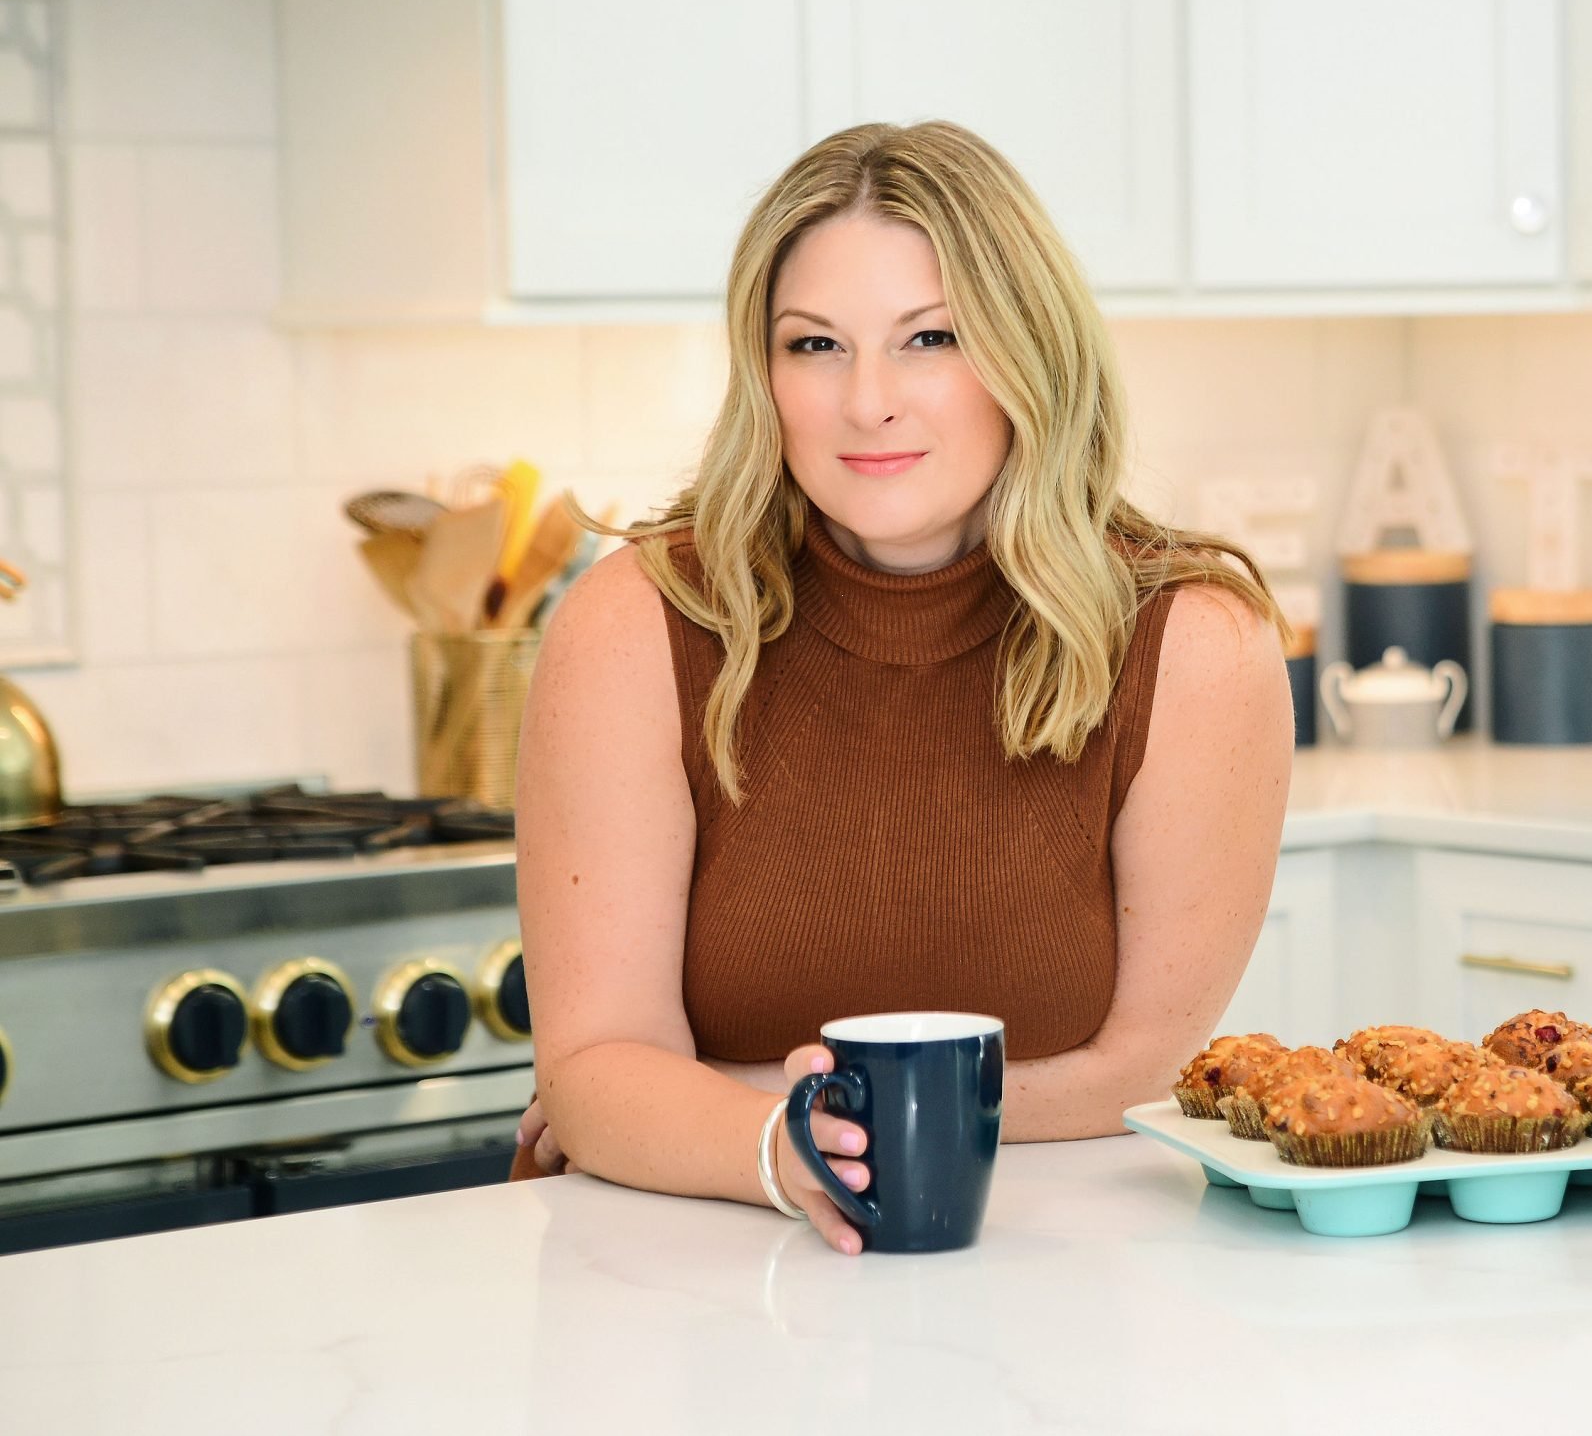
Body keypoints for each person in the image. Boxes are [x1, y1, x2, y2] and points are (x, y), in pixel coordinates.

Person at [506, 121, 1294, 1254]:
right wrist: (774, 1146)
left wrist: (771, 1105)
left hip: (1053, 1268)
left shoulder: (1193, 641)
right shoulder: (637, 623)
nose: (867, 401)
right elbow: (591, 1072)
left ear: (1029, 352)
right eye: (815, 345)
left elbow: (1146, 1069)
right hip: (678, 1263)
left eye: (929, 337)